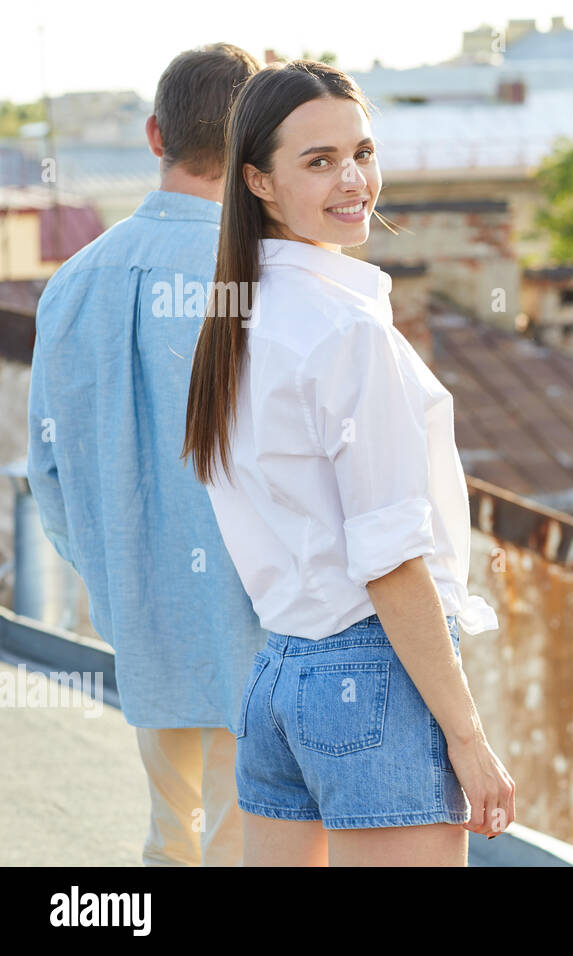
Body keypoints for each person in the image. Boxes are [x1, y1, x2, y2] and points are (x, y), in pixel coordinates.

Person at [180, 59, 515, 866]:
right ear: (258, 180)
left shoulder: (236, 320)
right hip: (376, 680)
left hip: (279, 679)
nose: (354, 179)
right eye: (319, 161)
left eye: (362, 152)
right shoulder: (347, 332)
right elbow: (391, 559)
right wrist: (467, 739)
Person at [26, 43, 264, 867]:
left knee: (173, 840)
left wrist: (106, 567)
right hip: (262, 621)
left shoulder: (72, 283)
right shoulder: (271, 278)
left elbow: (48, 471)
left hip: (140, 604)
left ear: (156, 133)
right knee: (254, 842)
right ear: (254, 146)